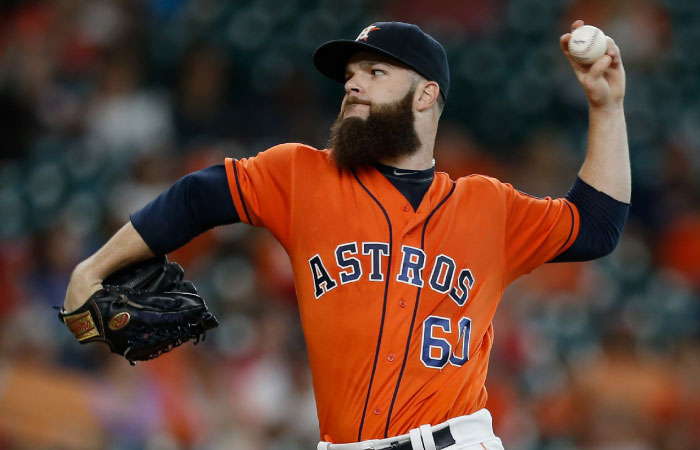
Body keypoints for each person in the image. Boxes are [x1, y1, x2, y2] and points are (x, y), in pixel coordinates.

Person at [64, 20, 630, 450]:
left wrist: (607, 108)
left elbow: (597, 226)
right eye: (350, 76)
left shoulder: (489, 206)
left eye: (375, 73)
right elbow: (196, 196)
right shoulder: (302, 176)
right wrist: (93, 268)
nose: (354, 85)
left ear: (427, 95)